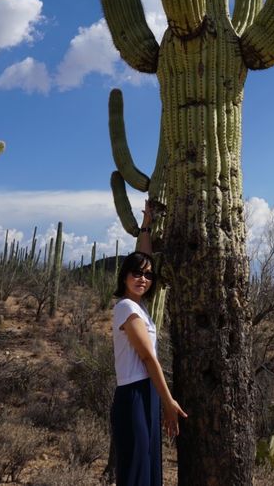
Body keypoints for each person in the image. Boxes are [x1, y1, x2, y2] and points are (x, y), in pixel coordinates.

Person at [111, 201, 187, 486]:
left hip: (148, 393)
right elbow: (148, 358)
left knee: (150, 467)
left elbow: (143, 255)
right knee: (136, 471)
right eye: (136, 273)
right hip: (134, 395)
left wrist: (146, 224)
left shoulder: (140, 307)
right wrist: (169, 402)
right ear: (124, 276)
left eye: (148, 275)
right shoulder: (125, 309)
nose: (142, 278)